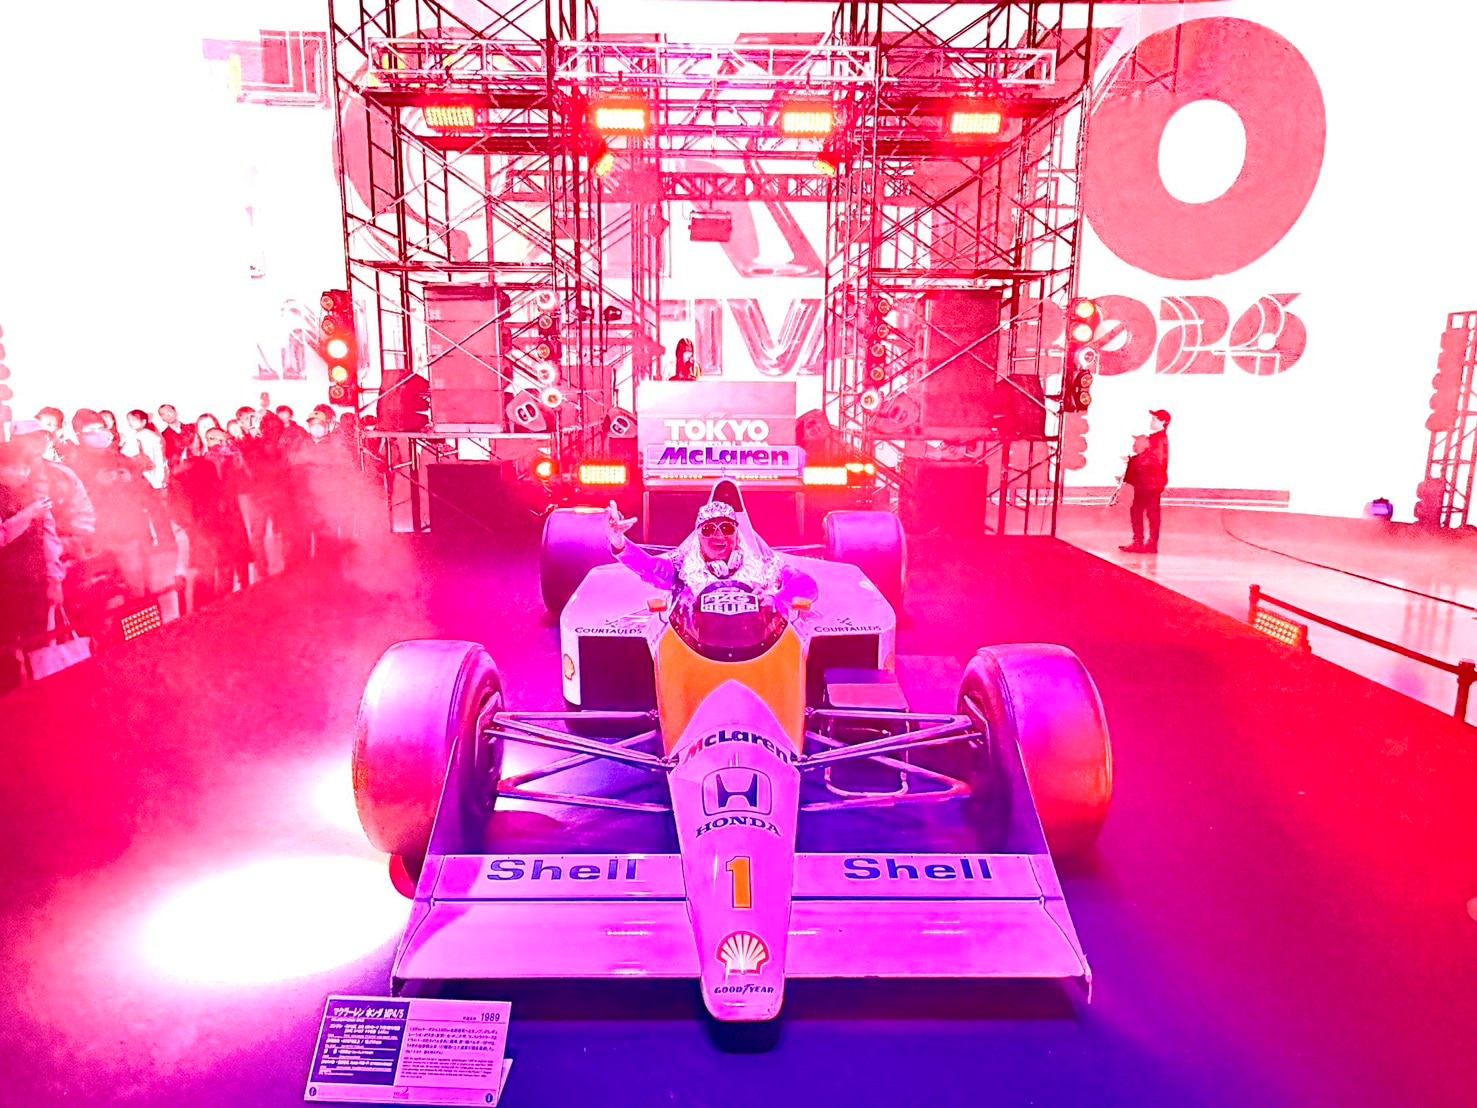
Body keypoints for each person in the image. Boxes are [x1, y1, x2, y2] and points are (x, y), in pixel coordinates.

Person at [605, 494, 817, 608]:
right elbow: (650, 569)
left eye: (726, 528)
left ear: (737, 535)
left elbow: (806, 584)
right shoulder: (682, 565)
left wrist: (779, 600)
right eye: (708, 529)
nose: (718, 536)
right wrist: (619, 541)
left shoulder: (763, 563)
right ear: (698, 536)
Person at [1119, 409, 1171, 554]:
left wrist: (1132, 460)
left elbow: (1153, 460)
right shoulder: (1158, 438)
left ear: (1163, 422)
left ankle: (1141, 543)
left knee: (1142, 511)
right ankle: (1147, 543)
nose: (1151, 421)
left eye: (1154, 419)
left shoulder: (1157, 439)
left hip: (1149, 482)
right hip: (1151, 481)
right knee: (1148, 512)